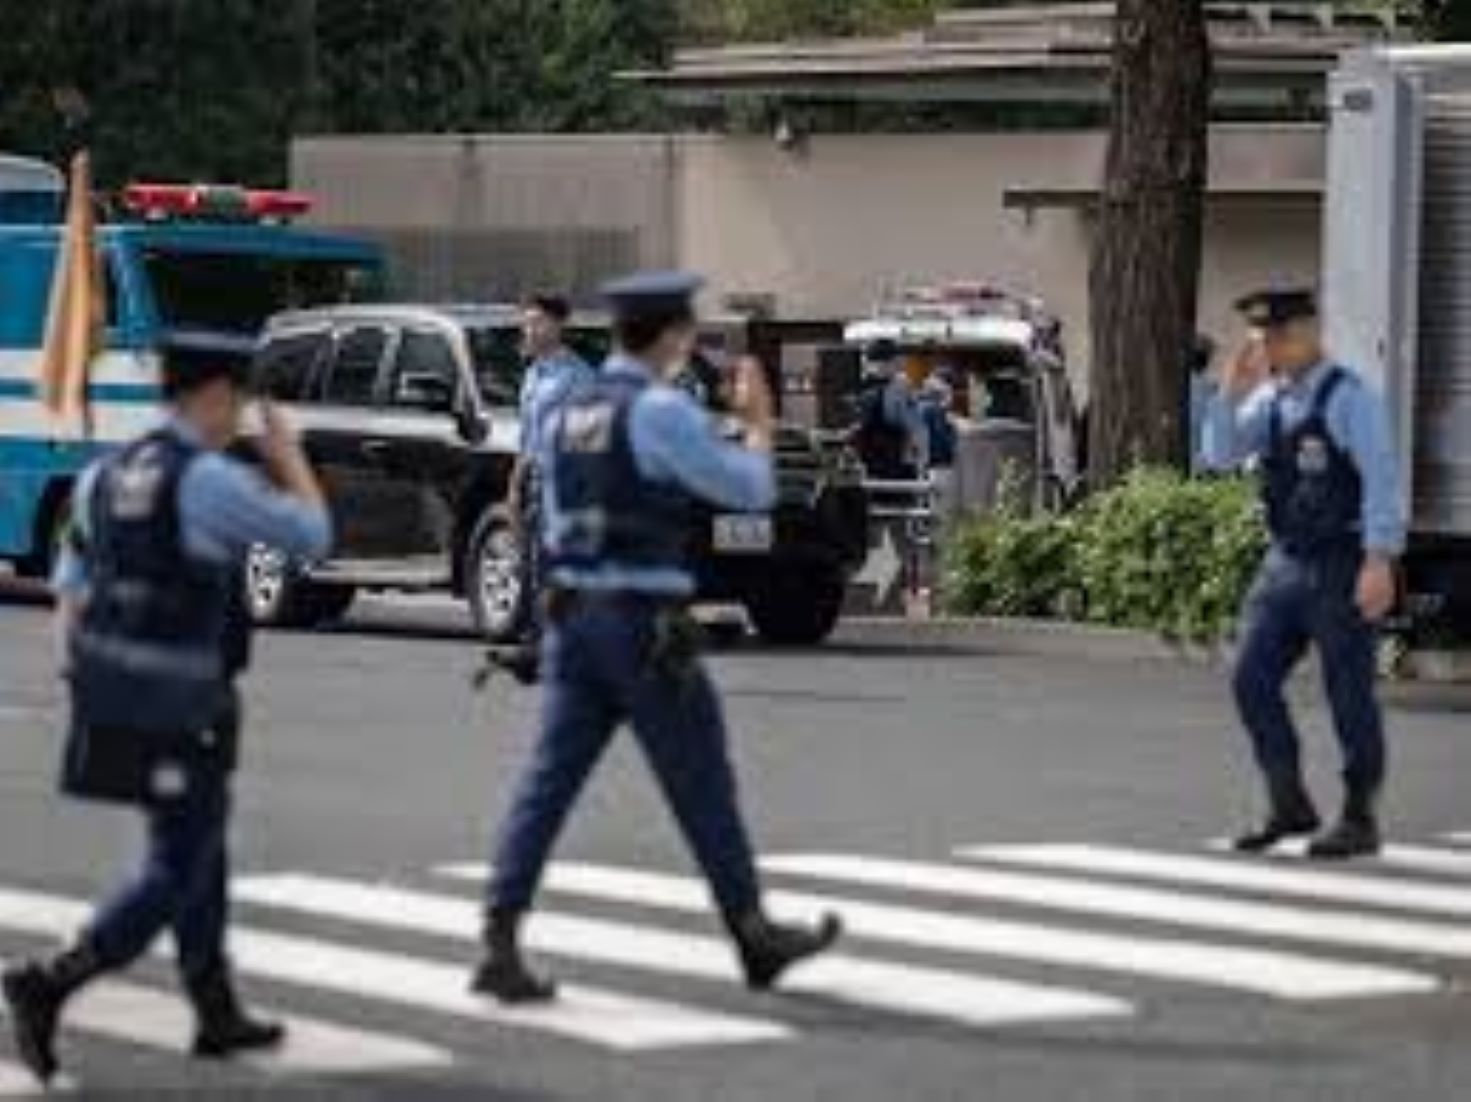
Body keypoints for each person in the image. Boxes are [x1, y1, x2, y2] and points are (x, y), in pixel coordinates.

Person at [471, 271, 842, 1003]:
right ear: (671, 336)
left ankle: (500, 936)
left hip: (573, 616)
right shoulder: (660, 411)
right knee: (702, 779)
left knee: (547, 782)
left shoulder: (567, 410)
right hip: (641, 621)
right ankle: (751, 932)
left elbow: (552, 510)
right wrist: (758, 421)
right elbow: (749, 490)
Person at [1, 339, 332, 1086]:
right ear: (210, 394)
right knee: (179, 862)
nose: (243, 414)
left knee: (199, 845)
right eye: (239, 399)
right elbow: (313, 538)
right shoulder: (205, 479)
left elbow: (71, 583)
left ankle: (214, 1007)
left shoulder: (105, 474)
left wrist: (80, 675)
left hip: (117, 689)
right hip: (185, 699)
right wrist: (289, 459)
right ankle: (51, 979)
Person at [1203, 288, 1404, 860]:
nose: (1271, 347)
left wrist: (1378, 560)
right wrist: (1230, 389)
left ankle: (1359, 814)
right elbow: (1218, 455)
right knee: (1251, 677)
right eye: (1264, 338)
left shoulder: (1349, 398)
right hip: (1285, 563)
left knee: (1348, 694)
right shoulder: (1269, 401)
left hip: (1342, 562)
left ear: (1310, 334)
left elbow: (1381, 481)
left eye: (1280, 336)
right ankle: (1288, 801)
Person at [493, 293, 595, 684]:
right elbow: (528, 437)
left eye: (537, 322)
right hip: (537, 483)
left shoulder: (577, 376)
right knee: (537, 569)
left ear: (559, 325)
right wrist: (514, 486)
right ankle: (540, 652)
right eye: (526, 322)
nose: (529, 330)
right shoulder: (533, 374)